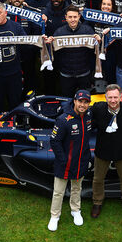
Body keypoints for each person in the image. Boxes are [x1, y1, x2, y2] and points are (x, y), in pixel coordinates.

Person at [90, 84, 122, 218]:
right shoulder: (98, 108)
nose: (113, 100)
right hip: (102, 150)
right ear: (105, 97)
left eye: (115, 97)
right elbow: (82, 113)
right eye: (110, 97)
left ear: (121, 97)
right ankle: (97, 202)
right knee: (98, 179)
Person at [47, 90, 92, 232]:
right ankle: (54, 216)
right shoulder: (63, 119)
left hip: (81, 161)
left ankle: (75, 210)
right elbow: (54, 141)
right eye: (80, 101)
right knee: (58, 192)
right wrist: (63, 159)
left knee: (77, 188)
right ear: (74, 101)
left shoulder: (89, 116)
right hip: (64, 163)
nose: (82, 105)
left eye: (86, 102)